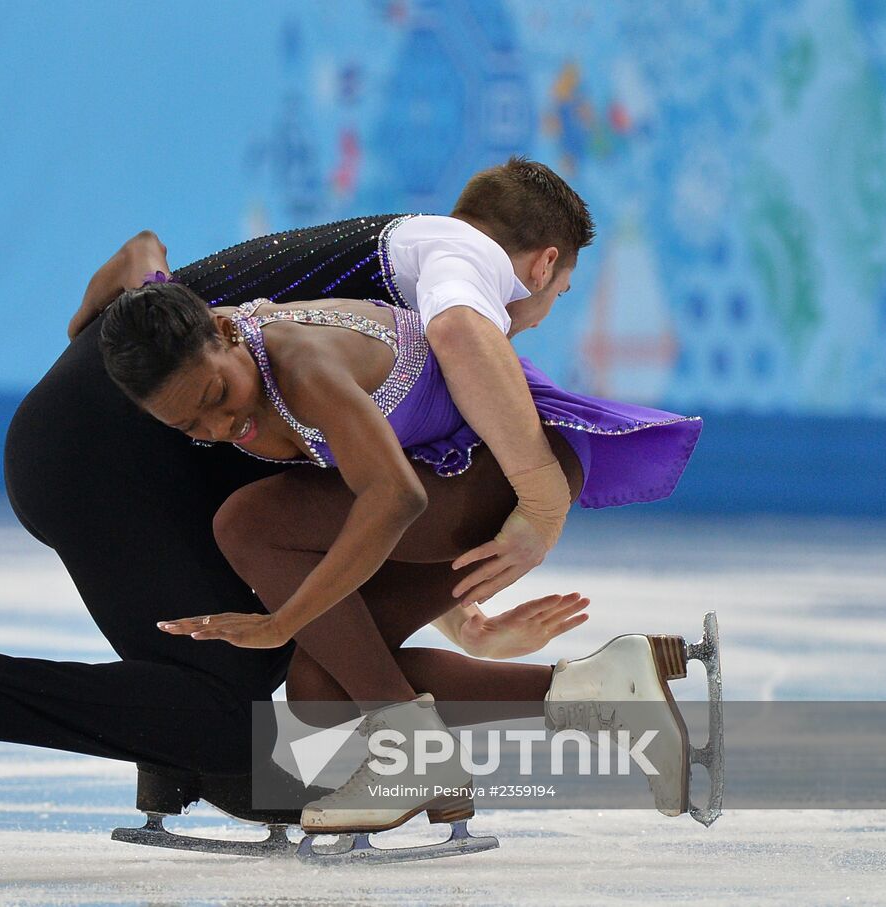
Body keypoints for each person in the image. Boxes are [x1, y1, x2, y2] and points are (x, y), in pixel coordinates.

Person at [0, 158, 684, 819]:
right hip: (108, 445)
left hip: (112, 414)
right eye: (559, 293)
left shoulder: (368, 290)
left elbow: (377, 468)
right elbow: (460, 338)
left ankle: (566, 697)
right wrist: (540, 497)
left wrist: (462, 615)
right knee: (243, 731)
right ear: (540, 264)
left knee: (285, 698)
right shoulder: (462, 263)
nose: (540, 316)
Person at [98, 279, 701, 830]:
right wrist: (461, 622)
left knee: (247, 523)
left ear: (228, 334)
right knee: (319, 687)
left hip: (504, 468)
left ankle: (414, 752)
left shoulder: (303, 367)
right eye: (190, 425)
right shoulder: (231, 362)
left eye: (217, 394)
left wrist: (282, 623)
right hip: (449, 482)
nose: (221, 423)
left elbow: (395, 497)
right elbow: (384, 496)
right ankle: (601, 691)